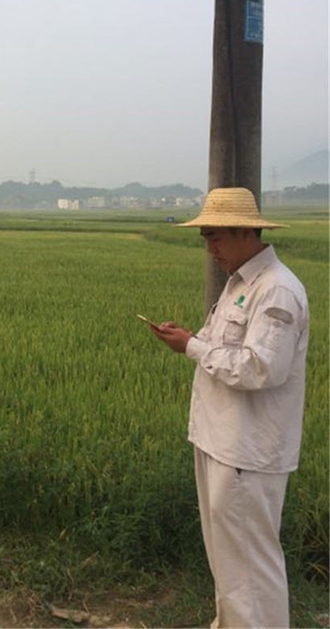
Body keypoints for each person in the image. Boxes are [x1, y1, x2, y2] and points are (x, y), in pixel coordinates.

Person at [145, 187, 309, 629]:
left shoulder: (276, 291)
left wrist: (192, 347)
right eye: (205, 237)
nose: (209, 247)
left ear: (244, 231)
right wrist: (190, 339)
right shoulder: (240, 285)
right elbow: (225, 349)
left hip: (248, 451)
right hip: (220, 441)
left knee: (251, 566)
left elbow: (260, 368)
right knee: (229, 561)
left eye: (215, 236)